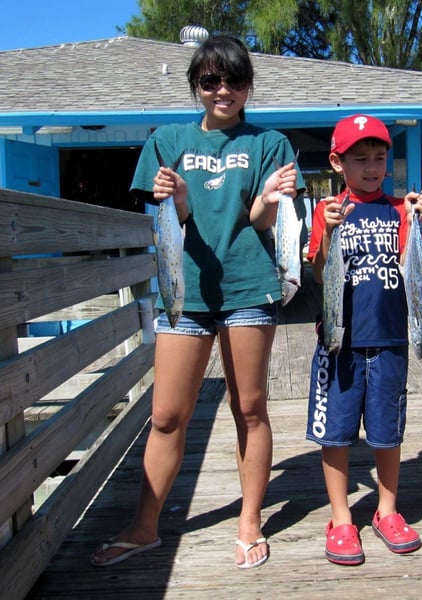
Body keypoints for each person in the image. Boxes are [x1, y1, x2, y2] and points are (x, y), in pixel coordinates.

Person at [90, 35, 302, 570]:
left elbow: (260, 224)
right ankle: (145, 527)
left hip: (249, 287)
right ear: (196, 86)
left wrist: (269, 202)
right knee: (165, 414)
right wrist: (180, 201)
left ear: (249, 86)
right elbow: (166, 224)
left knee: (249, 408)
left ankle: (250, 522)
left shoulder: (270, 144)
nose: (223, 90)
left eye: (234, 80)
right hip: (183, 291)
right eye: (210, 81)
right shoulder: (166, 141)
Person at [306, 114, 422, 565]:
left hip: (391, 339)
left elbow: (412, 267)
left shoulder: (400, 210)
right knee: (336, 433)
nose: (372, 167)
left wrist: (419, 217)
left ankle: (386, 510)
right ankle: (341, 518)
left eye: (379, 158)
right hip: (339, 341)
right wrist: (329, 231)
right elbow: (321, 273)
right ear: (338, 163)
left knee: (387, 432)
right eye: (360, 159)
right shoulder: (329, 212)